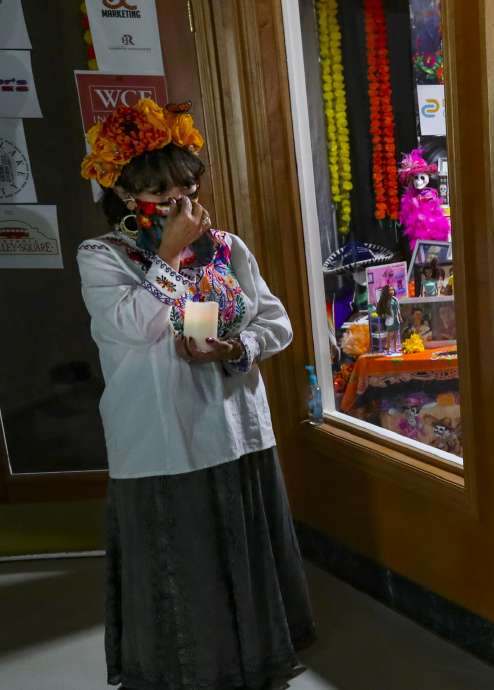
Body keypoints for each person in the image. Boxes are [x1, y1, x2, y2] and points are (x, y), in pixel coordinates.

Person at [76, 99, 314, 690]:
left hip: (237, 427)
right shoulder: (103, 257)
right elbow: (134, 326)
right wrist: (167, 255)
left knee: (243, 550)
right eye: (160, 189)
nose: (179, 199)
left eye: (186, 185)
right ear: (124, 194)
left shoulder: (226, 248)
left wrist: (235, 348)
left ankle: (258, 660)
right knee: (182, 565)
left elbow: (276, 322)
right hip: (163, 438)